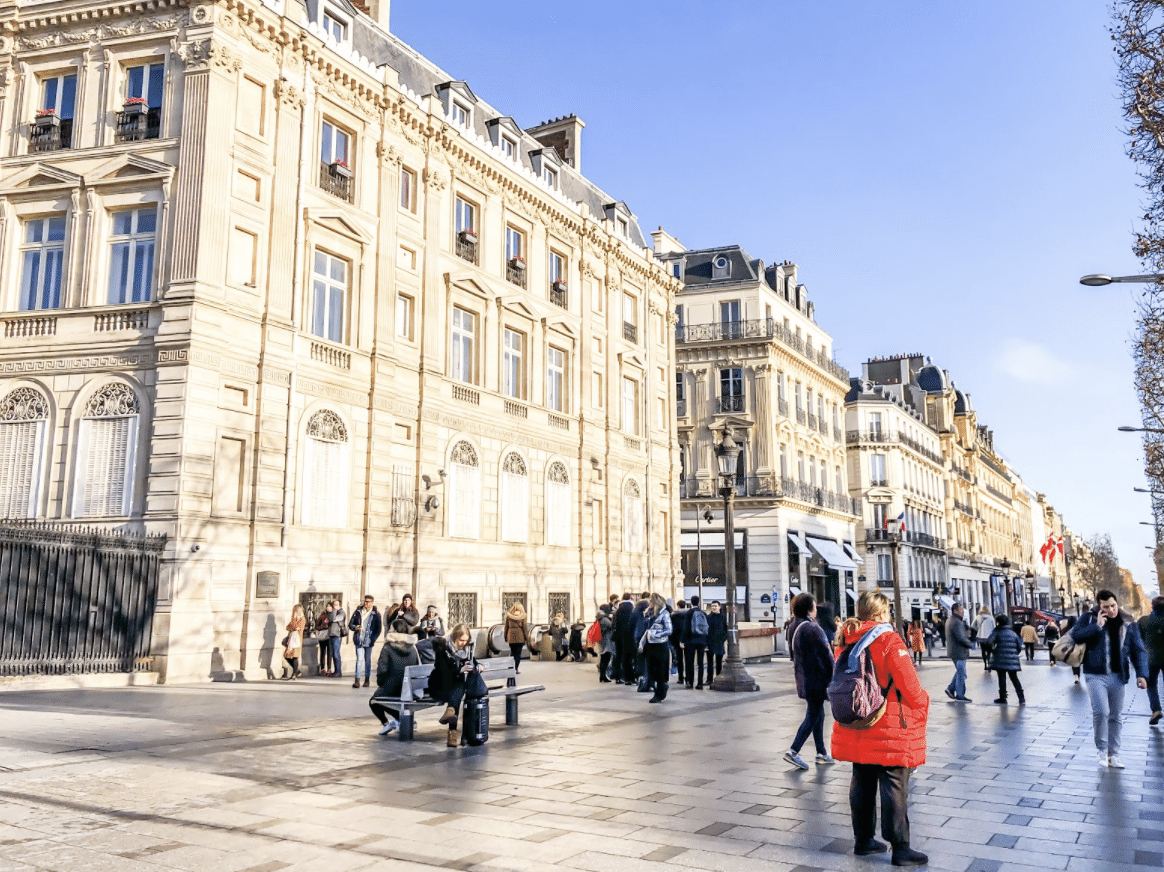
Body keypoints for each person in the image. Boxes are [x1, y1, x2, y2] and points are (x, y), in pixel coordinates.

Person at [831, 591, 929, 867]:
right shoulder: (888, 639)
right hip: (889, 723)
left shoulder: (846, 638)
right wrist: (924, 703)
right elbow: (910, 686)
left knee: (862, 780)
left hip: (857, 720)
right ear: (882, 612)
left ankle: (863, 840)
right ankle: (901, 848)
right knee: (894, 783)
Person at [1072, 590, 1149, 768]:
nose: (1111, 610)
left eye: (1113, 605)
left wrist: (1141, 674)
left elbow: (1138, 650)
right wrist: (1097, 626)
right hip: (1094, 674)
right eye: (1106, 607)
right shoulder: (1088, 618)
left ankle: (1113, 754)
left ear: (1117, 603)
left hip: (1118, 676)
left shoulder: (1128, 622)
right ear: (1099, 606)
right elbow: (1075, 636)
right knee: (1101, 712)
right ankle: (1101, 749)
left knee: (1116, 716)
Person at [783, 593, 835, 769]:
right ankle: (794, 750)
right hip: (817, 677)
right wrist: (835, 676)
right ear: (809, 608)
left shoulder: (794, 625)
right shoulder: (813, 628)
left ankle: (821, 752)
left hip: (803, 677)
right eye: (814, 605)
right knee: (813, 715)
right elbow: (827, 655)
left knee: (817, 713)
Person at [429, 624, 477, 748]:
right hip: (439, 686)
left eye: (466, 640)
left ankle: (450, 712)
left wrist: (478, 666)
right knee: (459, 689)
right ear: (455, 637)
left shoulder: (467, 650)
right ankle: (452, 735)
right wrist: (459, 670)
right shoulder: (443, 649)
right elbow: (442, 671)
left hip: (454, 687)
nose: (463, 643)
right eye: (461, 640)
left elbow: (473, 662)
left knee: (459, 688)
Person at [369, 631, 422, 735]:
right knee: (386, 700)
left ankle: (388, 723)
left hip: (392, 687)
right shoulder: (412, 647)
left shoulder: (387, 647)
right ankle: (401, 720)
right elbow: (417, 666)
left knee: (374, 701)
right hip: (409, 688)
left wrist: (381, 684)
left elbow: (382, 670)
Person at [640, 593, 672, 704]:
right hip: (650, 645)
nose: (649, 604)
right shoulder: (650, 614)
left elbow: (669, 630)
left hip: (660, 645)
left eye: (651, 602)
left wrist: (656, 634)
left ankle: (660, 692)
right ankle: (657, 691)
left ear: (656, 603)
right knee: (652, 669)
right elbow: (646, 629)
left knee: (660, 670)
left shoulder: (664, 614)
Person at [988, 614, 1025, 705]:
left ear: (998, 622)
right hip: (1012, 660)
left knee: (1002, 678)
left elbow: (989, 642)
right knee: (1014, 678)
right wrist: (1014, 654)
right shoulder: (1013, 633)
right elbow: (1019, 647)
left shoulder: (997, 631)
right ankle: (1021, 698)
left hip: (1000, 659)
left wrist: (993, 651)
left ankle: (1003, 698)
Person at [1139, 595, 1164, 725]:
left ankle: (1156, 710)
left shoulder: (1144, 621)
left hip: (1151, 657)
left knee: (1151, 684)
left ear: (1152, 606)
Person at [348, 595, 382, 689]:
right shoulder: (358, 612)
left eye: (369, 602)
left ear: (372, 603)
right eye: (366, 601)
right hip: (359, 639)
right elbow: (350, 624)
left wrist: (373, 639)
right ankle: (357, 680)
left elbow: (378, 629)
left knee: (367, 661)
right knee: (359, 660)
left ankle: (367, 679)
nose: (367, 604)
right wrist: (355, 627)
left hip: (368, 641)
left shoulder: (376, 614)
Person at [943, 602, 972, 702]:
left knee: (961, 672)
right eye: (961, 610)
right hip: (959, 651)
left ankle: (951, 689)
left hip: (954, 651)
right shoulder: (956, 622)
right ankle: (960, 695)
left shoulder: (951, 620)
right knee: (961, 674)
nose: (962, 612)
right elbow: (961, 637)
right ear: (955, 611)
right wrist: (970, 644)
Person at [684, 595, 709, 689]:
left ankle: (690, 682)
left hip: (690, 640)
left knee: (689, 661)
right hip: (701, 640)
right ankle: (700, 683)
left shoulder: (689, 613)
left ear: (691, 602)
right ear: (698, 602)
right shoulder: (703, 613)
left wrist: (682, 640)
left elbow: (686, 627)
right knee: (700, 662)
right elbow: (707, 628)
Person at [613, 593, 637, 684]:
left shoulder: (618, 610)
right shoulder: (632, 609)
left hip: (619, 637)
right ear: (630, 598)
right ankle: (630, 678)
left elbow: (614, 624)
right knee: (629, 657)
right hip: (630, 636)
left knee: (619, 657)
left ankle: (618, 677)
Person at [503, 603, 528, 674]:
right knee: (518, 654)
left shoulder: (509, 616)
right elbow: (524, 628)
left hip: (511, 637)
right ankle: (516, 668)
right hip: (520, 637)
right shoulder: (523, 616)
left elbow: (506, 627)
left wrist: (505, 637)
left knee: (512, 653)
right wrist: (526, 638)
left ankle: (511, 667)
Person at [282, 604, 305, 680]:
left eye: (295, 610)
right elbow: (288, 627)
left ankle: (294, 674)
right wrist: (293, 622)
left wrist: (294, 621)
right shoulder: (294, 619)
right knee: (286, 655)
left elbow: (297, 628)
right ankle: (296, 670)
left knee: (295, 656)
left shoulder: (302, 619)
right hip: (291, 639)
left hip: (297, 640)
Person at [670, 600, 689, 685]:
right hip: (687, 639)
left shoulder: (674, 615)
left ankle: (680, 677)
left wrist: (672, 640)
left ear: (677, 606)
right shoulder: (689, 614)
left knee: (679, 659)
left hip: (677, 639)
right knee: (688, 659)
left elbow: (672, 628)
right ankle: (688, 677)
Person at [707, 601, 727, 678]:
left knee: (719, 662)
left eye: (715, 606)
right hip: (710, 642)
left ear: (719, 607)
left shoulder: (723, 617)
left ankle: (718, 677)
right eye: (712, 606)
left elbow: (726, 629)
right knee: (710, 662)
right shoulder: (708, 617)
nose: (714, 608)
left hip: (719, 642)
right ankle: (709, 679)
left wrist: (723, 639)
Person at [327, 599, 347, 678]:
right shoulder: (333, 612)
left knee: (336, 654)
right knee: (332, 653)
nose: (334, 606)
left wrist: (334, 611)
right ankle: (335, 671)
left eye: (336, 604)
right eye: (333, 605)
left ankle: (338, 671)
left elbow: (333, 619)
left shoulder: (342, 613)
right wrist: (330, 612)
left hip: (337, 635)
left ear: (340, 605)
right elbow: (329, 619)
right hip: (331, 634)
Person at [593, 608, 614, 682]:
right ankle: (603, 675)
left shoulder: (600, 619)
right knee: (606, 657)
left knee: (603, 658)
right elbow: (611, 625)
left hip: (603, 640)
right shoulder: (604, 619)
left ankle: (602, 676)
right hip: (606, 640)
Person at [973, 607, 996, 672]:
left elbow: (973, 626)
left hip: (981, 637)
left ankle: (985, 665)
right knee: (989, 652)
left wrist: (978, 630)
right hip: (989, 637)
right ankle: (989, 665)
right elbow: (994, 627)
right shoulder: (991, 617)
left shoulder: (978, 617)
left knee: (983, 651)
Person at [315, 605, 333, 675]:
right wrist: (324, 626)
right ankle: (322, 668)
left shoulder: (333, 615)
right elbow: (317, 626)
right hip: (323, 636)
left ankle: (329, 668)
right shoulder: (322, 615)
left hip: (330, 636)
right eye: (327, 606)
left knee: (329, 652)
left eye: (330, 606)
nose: (328, 608)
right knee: (322, 652)